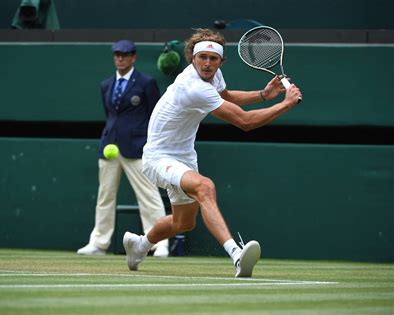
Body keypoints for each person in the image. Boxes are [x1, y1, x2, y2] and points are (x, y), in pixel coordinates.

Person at [122, 29, 302, 277]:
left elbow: (226, 96)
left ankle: (139, 246)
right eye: (202, 57)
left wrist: (263, 95)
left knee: (184, 222)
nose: (207, 64)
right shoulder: (193, 87)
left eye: (213, 59)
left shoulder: (212, 78)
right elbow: (245, 122)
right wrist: (285, 104)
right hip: (158, 157)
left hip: (184, 156)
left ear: (220, 61)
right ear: (192, 58)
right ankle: (237, 256)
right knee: (205, 187)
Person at [77, 40, 169, 257]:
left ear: (133, 57)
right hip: (109, 146)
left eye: (125, 55)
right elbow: (111, 116)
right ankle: (99, 243)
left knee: (149, 195)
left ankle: (160, 243)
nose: (120, 58)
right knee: (105, 196)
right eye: (117, 54)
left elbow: (155, 116)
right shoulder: (106, 85)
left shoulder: (146, 83)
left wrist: (150, 144)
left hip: (137, 148)